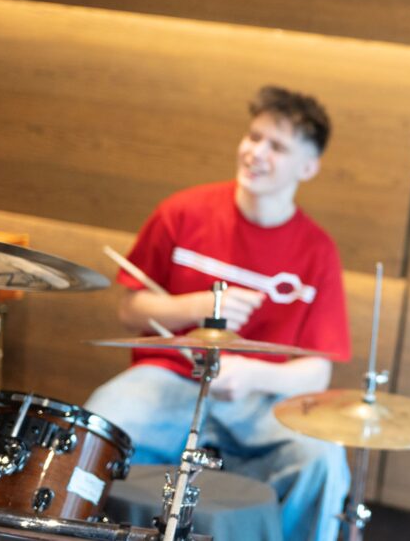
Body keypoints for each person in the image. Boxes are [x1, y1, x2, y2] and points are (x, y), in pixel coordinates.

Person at [86, 85, 351, 541]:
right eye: (254, 137)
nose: (256, 152)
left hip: (260, 398)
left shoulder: (318, 251)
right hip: (167, 378)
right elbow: (129, 311)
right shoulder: (182, 211)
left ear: (308, 167)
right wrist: (200, 305)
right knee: (95, 430)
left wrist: (251, 374)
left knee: (322, 459)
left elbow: (316, 371)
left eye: (276, 146)